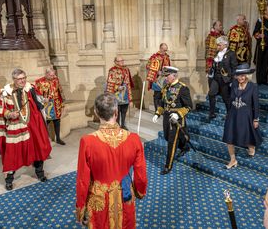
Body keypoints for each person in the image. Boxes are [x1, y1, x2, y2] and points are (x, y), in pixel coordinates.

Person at [76, 93, 147, 228]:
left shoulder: (87, 141)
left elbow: (82, 180)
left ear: (96, 113)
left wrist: (81, 207)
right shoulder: (134, 139)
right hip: (125, 195)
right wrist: (140, 191)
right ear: (116, 111)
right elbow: (141, 176)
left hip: (99, 198)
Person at [0, 69, 51, 191]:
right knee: (13, 152)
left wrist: (44, 100)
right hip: (16, 125)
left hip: (34, 123)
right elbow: (0, 111)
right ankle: (9, 179)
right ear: (14, 79)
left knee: (38, 147)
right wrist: (9, 114)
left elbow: (39, 100)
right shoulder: (6, 92)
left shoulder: (30, 88)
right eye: (19, 79)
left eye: (24, 78)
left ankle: (40, 172)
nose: (22, 81)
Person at [152, 66, 193, 175]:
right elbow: (162, 103)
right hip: (166, 117)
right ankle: (185, 146)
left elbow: (189, 106)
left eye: (167, 76)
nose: (165, 78)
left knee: (172, 142)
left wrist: (178, 114)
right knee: (166, 136)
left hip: (176, 119)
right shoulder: (166, 87)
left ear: (173, 75)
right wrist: (157, 113)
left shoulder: (183, 88)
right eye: (165, 76)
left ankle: (167, 166)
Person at [222, 64, 263, 169]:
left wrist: (256, 119)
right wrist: (228, 113)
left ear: (247, 76)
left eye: (243, 75)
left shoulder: (253, 87)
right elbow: (231, 99)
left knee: (247, 133)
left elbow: (256, 104)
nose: (240, 78)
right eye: (238, 75)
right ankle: (233, 160)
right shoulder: (234, 84)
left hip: (246, 115)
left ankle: (251, 146)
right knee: (229, 137)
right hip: (233, 114)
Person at [208, 36, 238, 119]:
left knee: (225, 97)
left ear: (225, 44)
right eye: (217, 45)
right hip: (215, 78)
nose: (217, 47)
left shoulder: (231, 53)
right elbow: (214, 65)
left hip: (225, 79)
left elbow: (234, 67)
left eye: (219, 45)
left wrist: (232, 80)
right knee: (211, 94)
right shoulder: (217, 53)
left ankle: (229, 114)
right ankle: (212, 113)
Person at [35, 66, 66, 145]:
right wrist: (43, 99)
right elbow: (37, 94)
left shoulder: (56, 79)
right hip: (46, 105)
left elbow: (60, 91)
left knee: (57, 121)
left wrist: (62, 103)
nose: (53, 77)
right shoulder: (39, 82)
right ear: (46, 74)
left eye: (53, 75)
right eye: (51, 75)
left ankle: (58, 138)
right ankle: (45, 140)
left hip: (56, 103)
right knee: (46, 122)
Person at [106, 56, 134, 129]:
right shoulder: (112, 70)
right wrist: (117, 87)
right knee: (117, 110)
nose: (122, 62)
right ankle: (117, 125)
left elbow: (129, 83)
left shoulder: (126, 69)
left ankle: (123, 124)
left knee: (124, 110)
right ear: (115, 62)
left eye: (122, 60)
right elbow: (110, 83)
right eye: (120, 61)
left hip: (125, 92)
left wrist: (130, 98)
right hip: (117, 93)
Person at [253, 5, 268, 85]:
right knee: (259, 62)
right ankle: (258, 80)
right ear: (265, 11)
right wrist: (259, 35)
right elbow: (255, 32)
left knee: (266, 62)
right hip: (261, 44)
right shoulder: (261, 20)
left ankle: (264, 80)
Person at [146, 43, 171, 110]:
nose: (165, 52)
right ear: (160, 48)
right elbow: (148, 66)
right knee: (157, 95)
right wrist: (157, 72)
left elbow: (169, 66)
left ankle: (162, 109)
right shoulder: (154, 57)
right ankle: (156, 110)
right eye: (164, 50)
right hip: (157, 79)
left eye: (166, 50)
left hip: (165, 79)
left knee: (164, 95)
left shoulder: (167, 57)